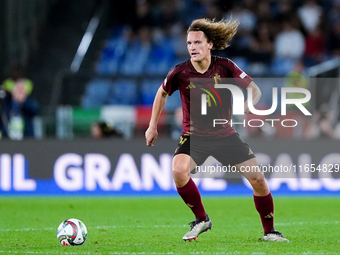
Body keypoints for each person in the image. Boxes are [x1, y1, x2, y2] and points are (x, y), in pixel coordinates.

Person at [145, 18, 288, 242]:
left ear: (210, 44)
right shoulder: (179, 72)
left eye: (197, 42)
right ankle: (201, 219)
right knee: (178, 171)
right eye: (189, 43)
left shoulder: (225, 66)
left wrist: (249, 104)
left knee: (258, 180)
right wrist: (152, 126)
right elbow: (161, 93)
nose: (192, 47)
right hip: (194, 137)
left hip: (225, 136)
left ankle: (270, 231)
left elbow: (254, 89)